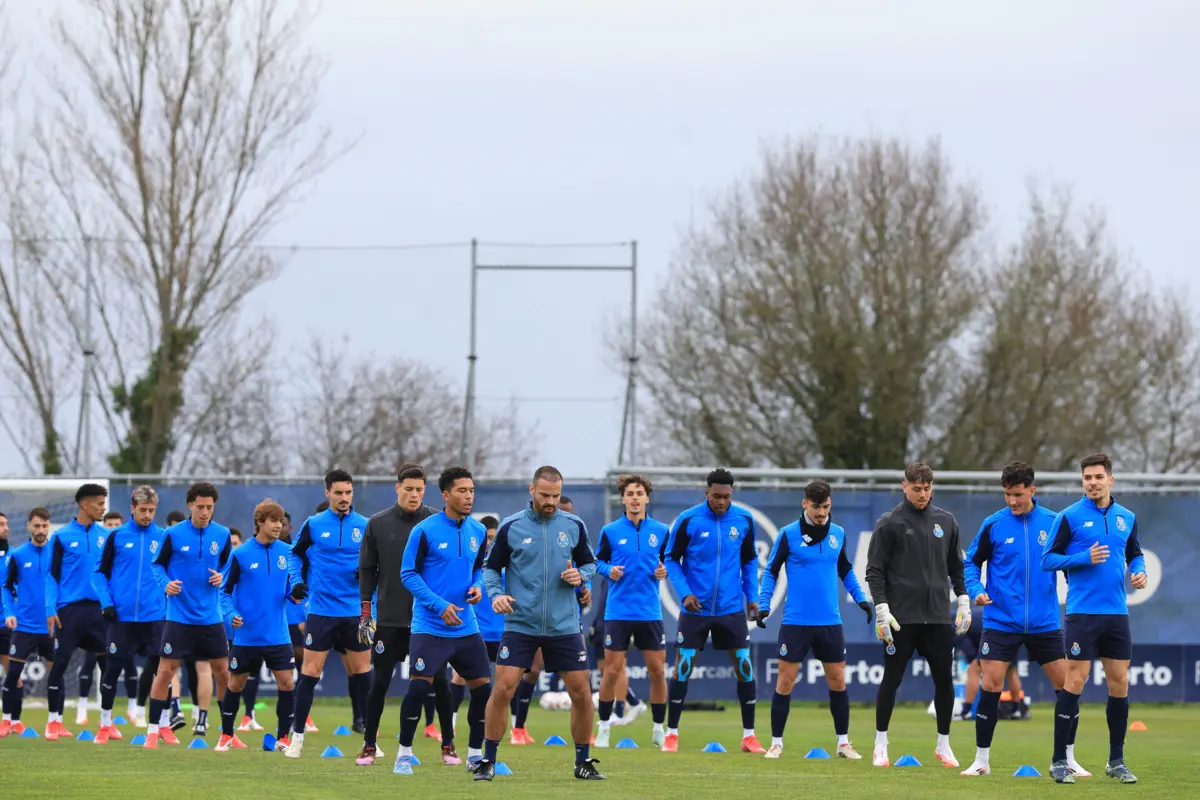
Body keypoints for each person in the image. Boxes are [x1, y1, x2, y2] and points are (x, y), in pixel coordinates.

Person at [958, 462, 1090, 777]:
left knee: (1068, 687)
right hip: (1001, 621)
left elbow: (1070, 565)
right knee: (990, 684)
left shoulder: (1055, 522)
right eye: (1007, 494)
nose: (1013, 501)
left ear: (1032, 490)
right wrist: (976, 589)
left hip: (1045, 623)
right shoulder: (993, 524)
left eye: (1018, 494)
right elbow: (971, 564)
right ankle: (981, 761)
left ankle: (1068, 758)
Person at [477, 465, 602, 782]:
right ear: (531, 490)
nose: (551, 501)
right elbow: (491, 570)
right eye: (545, 495)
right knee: (503, 689)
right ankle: (487, 761)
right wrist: (495, 594)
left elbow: (590, 563)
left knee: (582, 694)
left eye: (556, 495)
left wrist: (581, 575)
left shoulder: (573, 525)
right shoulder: (511, 527)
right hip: (520, 624)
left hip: (564, 626)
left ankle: (582, 762)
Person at [1041, 453, 1145, 785]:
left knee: (1120, 684)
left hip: (1116, 613)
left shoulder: (1126, 517)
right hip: (1082, 613)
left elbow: (1135, 553)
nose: (1092, 482)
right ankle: (1059, 761)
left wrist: (1139, 572)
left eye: (1098, 477)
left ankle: (1116, 761)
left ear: (1110, 480)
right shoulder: (1069, 517)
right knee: (1075, 682)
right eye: (1087, 477)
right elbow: (1048, 560)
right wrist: (1082, 558)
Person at [756, 479, 873, 759]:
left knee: (838, 680)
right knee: (785, 681)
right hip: (796, 623)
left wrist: (861, 599)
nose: (822, 513)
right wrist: (763, 605)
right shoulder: (787, 534)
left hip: (829, 623)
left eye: (827, 506)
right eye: (817, 507)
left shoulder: (838, 534)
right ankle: (776, 743)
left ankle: (843, 743)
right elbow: (771, 571)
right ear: (805, 503)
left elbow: (845, 571)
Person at [866, 461, 971, 769]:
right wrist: (882, 609)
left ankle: (943, 745)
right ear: (905, 486)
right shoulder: (890, 523)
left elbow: (955, 568)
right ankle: (880, 744)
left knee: (944, 681)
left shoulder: (947, 521)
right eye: (916, 489)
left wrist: (963, 600)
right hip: (902, 619)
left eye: (927, 489)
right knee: (892, 679)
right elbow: (874, 571)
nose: (923, 494)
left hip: (938, 618)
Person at [391, 466, 492, 775]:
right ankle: (403, 755)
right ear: (446, 495)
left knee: (483, 691)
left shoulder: (477, 531)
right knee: (419, 689)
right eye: (462, 491)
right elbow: (407, 573)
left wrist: (477, 587)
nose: (469, 496)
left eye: (472, 490)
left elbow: (478, 568)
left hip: (466, 625)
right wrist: (438, 605)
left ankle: (475, 756)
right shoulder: (424, 530)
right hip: (430, 625)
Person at [355, 463, 453, 766]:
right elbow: (367, 570)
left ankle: (448, 745)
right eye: (408, 488)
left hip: (427, 619)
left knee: (439, 682)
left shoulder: (437, 521)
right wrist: (365, 612)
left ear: (426, 490)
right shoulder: (378, 523)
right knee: (380, 682)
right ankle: (369, 745)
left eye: (419, 489)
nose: (413, 494)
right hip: (390, 619)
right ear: (397, 488)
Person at [662, 468, 763, 754]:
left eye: (726, 496)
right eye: (716, 496)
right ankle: (672, 734)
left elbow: (749, 560)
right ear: (706, 493)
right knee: (683, 667)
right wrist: (685, 594)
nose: (721, 501)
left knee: (744, 666)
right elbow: (670, 559)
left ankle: (749, 736)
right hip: (696, 609)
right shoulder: (689, 520)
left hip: (731, 609)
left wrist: (751, 596)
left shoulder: (743, 520)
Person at [284, 470, 371, 758]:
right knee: (310, 672)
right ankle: (296, 739)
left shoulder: (365, 526)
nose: (344, 498)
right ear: (328, 493)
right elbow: (295, 555)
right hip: (321, 611)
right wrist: (296, 580)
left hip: (355, 612)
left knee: (362, 672)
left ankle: (370, 741)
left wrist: (370, 574)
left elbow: (379, 563)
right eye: (338, 493)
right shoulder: (314, 524)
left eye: (348, 493)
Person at [144, 482, 233, 749]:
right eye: (201, 506)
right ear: (190, 505)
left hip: (211, 617)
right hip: (179, 617)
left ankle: (227, 733)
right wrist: (165, 584)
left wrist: (222, 577)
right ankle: (152, 731)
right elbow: (156, 565)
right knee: (165, 672)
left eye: (210, 507)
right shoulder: (172, 534)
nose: (205, 512)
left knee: (223, 674)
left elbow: (229, 567)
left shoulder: (223, 534)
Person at [593, 474, 670, 748]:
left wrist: (665, 570)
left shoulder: (661, 530)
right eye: (630, 493)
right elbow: (596, 562)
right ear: (623, 499)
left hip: (650, 613)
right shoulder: (611, 531)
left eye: (639, 493)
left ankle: (659, 728)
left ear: (646, 498)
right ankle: (603, 727)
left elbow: (670, 560)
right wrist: (608, 570)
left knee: (658, 671)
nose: (635, 498)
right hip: (618, 613)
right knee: (612, 672)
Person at [217, 500, 298, 752]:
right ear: (260, 522)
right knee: (235, 685)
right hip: (247, 636)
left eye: (281, 521)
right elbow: (224, 592)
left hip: (278, 634)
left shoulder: (288, 552)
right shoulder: (240, 554)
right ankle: (226, 735)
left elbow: (289, 587)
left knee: (287, 683)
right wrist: (230, 614)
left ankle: (283, 738)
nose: (279, 525)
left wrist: (293, 594)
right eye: (274, 521)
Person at [92, 485, 167, 744]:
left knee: (162, 672)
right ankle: (105, 723)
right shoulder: (117, 537)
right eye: (143, 510)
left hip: (155, 617)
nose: (147, 515)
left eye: (151, 511)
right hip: (121, 618)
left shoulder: (164, 537)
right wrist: (106, 603)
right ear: (132, 508)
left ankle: (163, 725)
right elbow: (100, 573)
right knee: (112, 670)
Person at [44, 483, 111, 740]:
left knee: (108, 667)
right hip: (69, 611)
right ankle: (54, 721)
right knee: (59, 665)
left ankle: (106, 723)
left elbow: (110, 575)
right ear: (84, 504)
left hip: (98, 612)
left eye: (103, 504)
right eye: (98, 504)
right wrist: (50, 608)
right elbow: (52, 575)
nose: (102, 508)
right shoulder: (61, 536)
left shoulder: (106, 536)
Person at [0, 508, 55, 738]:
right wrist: (11, 611)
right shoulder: (20, 555)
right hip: (22, 625)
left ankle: (52, 721)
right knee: (13, 673)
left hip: (46, 626)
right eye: (37, 526)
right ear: (29, 526)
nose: (41, 530)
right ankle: (7, 720)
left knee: (54, 674)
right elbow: (7, 586)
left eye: (44, 526)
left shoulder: (56, 553)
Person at [451, 515, 505, 732]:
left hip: (501, 632)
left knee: (503, 683)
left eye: (494, 538)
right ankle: (452, 722)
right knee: (460, 677)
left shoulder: (504, 564)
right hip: (476, 631)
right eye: (488, 538)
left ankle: (508, 728)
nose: (490, 542)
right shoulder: (471, 564)